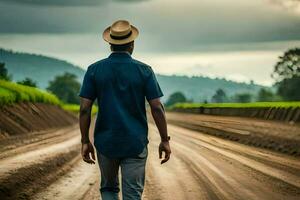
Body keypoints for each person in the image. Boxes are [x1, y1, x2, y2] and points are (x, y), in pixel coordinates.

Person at [79, 20, 171, 200]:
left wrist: (85, 141)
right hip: (135, 142)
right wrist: (164, 140)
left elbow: (84, 109)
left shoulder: (94, 70)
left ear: (110, 44)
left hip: (106, 142)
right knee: (133, 193)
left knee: (109, 189)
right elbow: (157, 108)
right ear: (132, 44)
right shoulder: (144, 70)